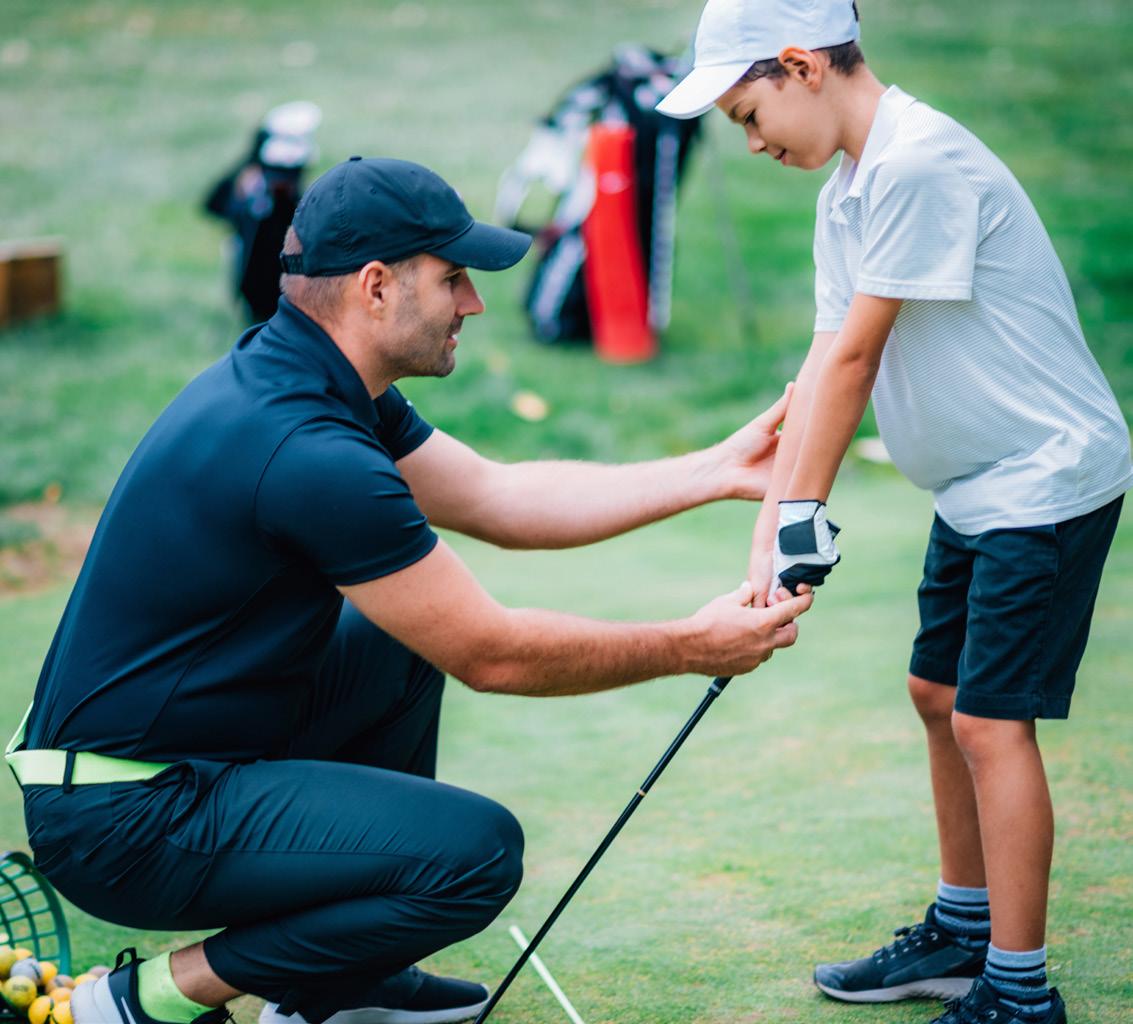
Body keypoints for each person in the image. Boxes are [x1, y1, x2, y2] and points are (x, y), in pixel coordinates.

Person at [7, 156, 813, 1024]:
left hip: (158, 772)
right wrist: (689, 646)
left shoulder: (313, 377)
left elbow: (497, 498)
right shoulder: (309, 448)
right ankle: (142, 1001)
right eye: (453, 278)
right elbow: (491, 655)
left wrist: (713, 469)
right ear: (376, 287)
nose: (474, 303)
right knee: (474, 855)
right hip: (129, 819)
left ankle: (340, 989)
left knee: (390, 642)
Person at [657, 2, 1132, 1023]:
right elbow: (821, 362)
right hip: (975, 482)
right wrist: (768, 535)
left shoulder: (916, 164)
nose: (751, 143)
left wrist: (801, 518)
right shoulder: (848, 191)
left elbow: (857, 362)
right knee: (935, 690)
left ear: (799, 65)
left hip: (1041, 474)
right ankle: (963, 930)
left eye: (748, 115)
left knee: (987, 720)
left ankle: (1018, 993)